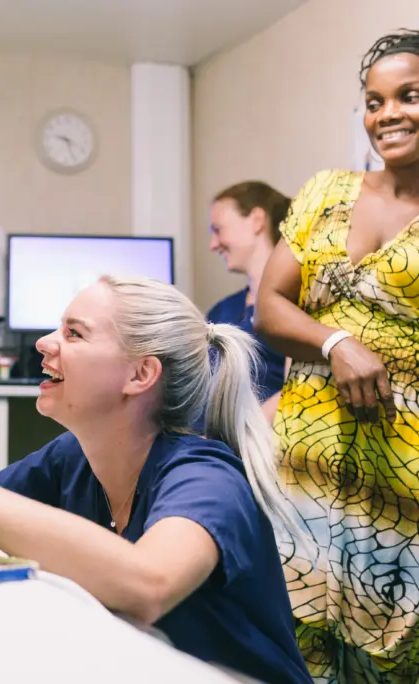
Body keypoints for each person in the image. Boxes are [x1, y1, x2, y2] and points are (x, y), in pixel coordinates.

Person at [0, 275, 313, 684]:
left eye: (74, 333)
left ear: (140, 375)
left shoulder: (205, 477)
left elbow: (148, 584)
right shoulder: (73, 459)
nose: (45, 344)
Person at [254, 29, 419, 683]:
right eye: (373, 101)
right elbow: (269, 305)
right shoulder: (326, 190)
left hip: (400, 485)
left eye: (408, 96)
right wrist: (334, 342)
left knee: (394, 657)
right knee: (295, 650)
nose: (387, 114)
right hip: (305, 475)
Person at [207, 181, 290, 419]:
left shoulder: (298, 301)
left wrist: (233, 439)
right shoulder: (221, 311)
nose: (213, 245)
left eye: (218, 229)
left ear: (256, 220)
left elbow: (298, 392)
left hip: (257, 447)